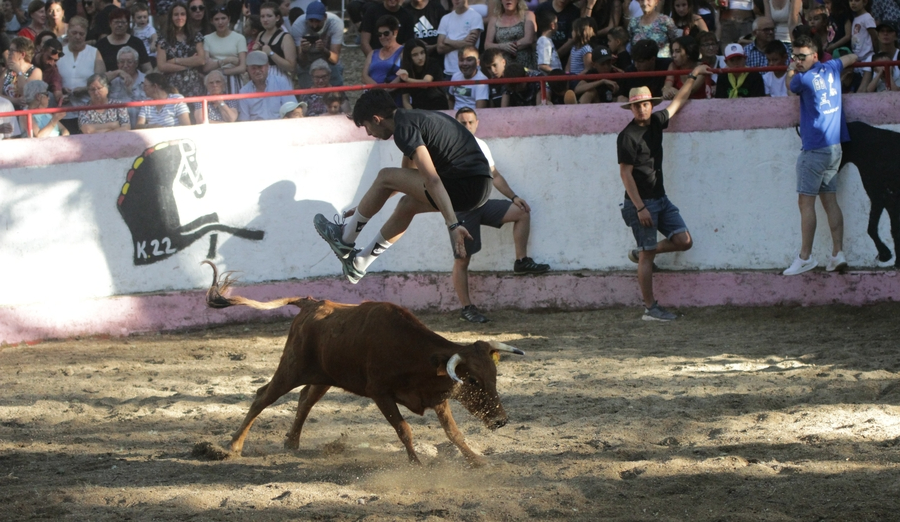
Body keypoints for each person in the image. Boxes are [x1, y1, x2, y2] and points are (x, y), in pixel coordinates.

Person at [313, 88, 493, 284]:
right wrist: (367, 204)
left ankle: (344, 239)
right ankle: (359, 263)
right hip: (479, 188)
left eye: (367, 127)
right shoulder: (411, 119)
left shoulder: (404, 129)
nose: (369, 133)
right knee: (406, 204)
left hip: (465, 184)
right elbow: (403, 181)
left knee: (385, 175)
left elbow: (431, 179)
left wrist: (453, 224)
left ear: (376, 119)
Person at [617, 63, 711, 321]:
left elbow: (677, 102)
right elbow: (625, 174)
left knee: (684, 241)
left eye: (645, 104)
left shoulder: (657, 121)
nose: (641, 108)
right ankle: (650, 309)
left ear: (651, 104)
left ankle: (642, 252)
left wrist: (692, 76)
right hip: (642, 203)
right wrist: (639, 207)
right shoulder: (628, 136)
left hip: (660, 198)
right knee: (648, 255)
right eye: (637, 105)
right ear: (632, 108)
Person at [452, 107, 550, 323]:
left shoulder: (481, 145)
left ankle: (521, 261)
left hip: (482, 203)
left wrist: (514, 196)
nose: (467, 126)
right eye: (462, 122)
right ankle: (466, 308)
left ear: (477, 123)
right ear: (455, 123)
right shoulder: (448, 145)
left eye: (470, 122)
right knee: (462, 260)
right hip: (461, 209)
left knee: (522, 212)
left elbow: (494, 175)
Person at [781, 34, 856, 275]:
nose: (797, 61)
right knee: (829, 200)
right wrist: (830, 61)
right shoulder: (830, 67)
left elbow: (789, 85)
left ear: (814, 55)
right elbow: (853, 57)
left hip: (814, 149)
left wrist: (791, 69)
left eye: (801, 57)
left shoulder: (803, 79)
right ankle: (837, 253)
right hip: (834, 148)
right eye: (794, 56)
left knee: (806, 203)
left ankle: (805, 257)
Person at [57, 16, 104, 134]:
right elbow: (51, 79)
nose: (78, 37)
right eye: (74, 33)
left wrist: (85, 89)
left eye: (81, 34)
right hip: (64, 112)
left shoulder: (94, 52)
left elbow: (102, 81)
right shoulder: (59, 53)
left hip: (89, 111)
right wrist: (60, 90)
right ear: (68, 32)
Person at [157, 2, 206, 99]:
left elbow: (201, 60)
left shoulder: (196, 36)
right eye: (176, 14)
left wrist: (175, 61)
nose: (179, 17)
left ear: (187, 16)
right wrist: (190, 64)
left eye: (183, 14)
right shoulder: (163, 38)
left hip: (194, 85)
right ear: (171, 17)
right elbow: (162, 66)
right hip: (172, 87)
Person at [290, 1, 344, 88]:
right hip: (308, 59)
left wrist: (324, 50)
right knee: (307, 91)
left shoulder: (335, 23)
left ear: (325, 17)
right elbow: (302, 63)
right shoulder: (298, 25)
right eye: (311, 21)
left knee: (336, 89)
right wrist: (304, 51)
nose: (314, 25)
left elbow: (334, 59)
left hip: (327, 58)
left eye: (318, 21)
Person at [237, 49, 296, 120]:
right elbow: (244, 120)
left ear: (268, 66)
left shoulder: (281, 82)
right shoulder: (244, 92)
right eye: (253, 68)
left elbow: (292, 109)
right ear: (248, 69)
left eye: (260, 67)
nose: (257, 71)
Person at [203, 5, 247, 94]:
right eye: (216, 19)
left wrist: (221, 70)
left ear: (229, 19)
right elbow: (206, 67)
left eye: (223, 18)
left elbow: (242, 67)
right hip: (213, 81)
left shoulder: (239, 38)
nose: (220, 22)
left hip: (233, 79)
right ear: (212, 21)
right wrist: (228, 60)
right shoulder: (207, 39)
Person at [484, 0, 537, 71]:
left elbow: (529, 39)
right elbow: (487, 45)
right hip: (504, 65)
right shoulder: (494, 19)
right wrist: (503, 46)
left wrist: (511, 46)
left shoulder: (528, 15)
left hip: (526, 63)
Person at [398, 37, 449, 110]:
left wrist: (407, 79)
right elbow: (405, 101)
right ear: (409, 57)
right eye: (415, 55)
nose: (420, 57)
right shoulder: (405, 71)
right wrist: (412, 114)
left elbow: (426, 83)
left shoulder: (433, 63)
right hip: (418, 110)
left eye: (422, 53)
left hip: (438, 107)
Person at [437, 0, 484, 77]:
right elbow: (440, 48)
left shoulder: (476, 16)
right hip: (450, 72)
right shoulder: (445, 18)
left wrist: (448, 40)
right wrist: (463, 41)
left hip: (471, 72)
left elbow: (470, 46)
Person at [96, 8, 151, 74]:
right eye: (116, 22)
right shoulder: (101, 44)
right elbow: (99, 74)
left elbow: (148, 69)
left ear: (128, 24)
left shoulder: (137, 42)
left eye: (123, 22)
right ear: (110, 23)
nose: (119, 25)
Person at [252, 1, 296, 81]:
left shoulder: (285, 37)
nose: (265, 19)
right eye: (262, 16)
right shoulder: (260, 35)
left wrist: (271, 53)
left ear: (277, 18)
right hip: (261, 79)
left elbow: (291, 67)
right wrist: (255, 51)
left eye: (269, 16)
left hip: (280, 78)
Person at [362, 14, 403, 90]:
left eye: (386, 33)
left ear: (395, 33)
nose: (382, 37)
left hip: (394, 96)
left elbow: (403, 74)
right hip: (375, 96)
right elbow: (364, 76)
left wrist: (386, 90)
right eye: (379, 34)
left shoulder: (403, 52)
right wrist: (379, 90)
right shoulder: (372, 53)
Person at [107, 45, 147, 123]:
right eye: (122, 62)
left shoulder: (146, 80)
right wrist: (118, 72)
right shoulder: (112, 78)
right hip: (117, 127)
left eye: (129, 62)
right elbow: (96, 80)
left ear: (136, 63)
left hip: (140, 126)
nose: (125, 65)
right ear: (118, 64)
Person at [533, 0, 580, 64]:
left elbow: (571, 40)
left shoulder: (574, 12)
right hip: (542, 55)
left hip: (563, 58)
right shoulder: (542, 8)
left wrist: (554, 57)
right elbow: (534, 33)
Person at [4, 36, 42, 106]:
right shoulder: (7, 70)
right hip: (8, 112)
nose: (9, 53)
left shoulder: (35, 71)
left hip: (26, 114)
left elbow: (25, 92)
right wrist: (15, 101)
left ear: (22, 54)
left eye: (12, 50)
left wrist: (19, 72)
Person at [849, 0, 877, 92]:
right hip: (858, 58)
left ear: (864, 2)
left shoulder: (867, 17)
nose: (853, 3)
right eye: (850, 0)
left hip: (867, 56)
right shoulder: (855, 18)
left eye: (856, 0)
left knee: (863, 88)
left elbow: (874, 36)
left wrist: (876, 53)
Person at [450, 45, 489, 109]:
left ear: (477, 62)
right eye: (461, 60)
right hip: (454, 116)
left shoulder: (482, 80)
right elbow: (450, 98)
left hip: (472, 117)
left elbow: (480, 109)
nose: (464, 63)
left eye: (469, 60)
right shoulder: (455, 76)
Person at [34, 38, 64, 103]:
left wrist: (61, 99)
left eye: (55, 60)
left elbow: (57, 92)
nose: (52, 63)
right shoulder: (28, 59)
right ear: (42, 50)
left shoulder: (53, 71)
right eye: (49, 58)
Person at [130, 3, 157, 68]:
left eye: (145, 17)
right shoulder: (134, 29)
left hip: (149, 55)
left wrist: (153, 43)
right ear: (133, 18)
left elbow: (154, 36)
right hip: (138, 55)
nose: (142, 19)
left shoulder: (149, 28)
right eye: (139, 18)